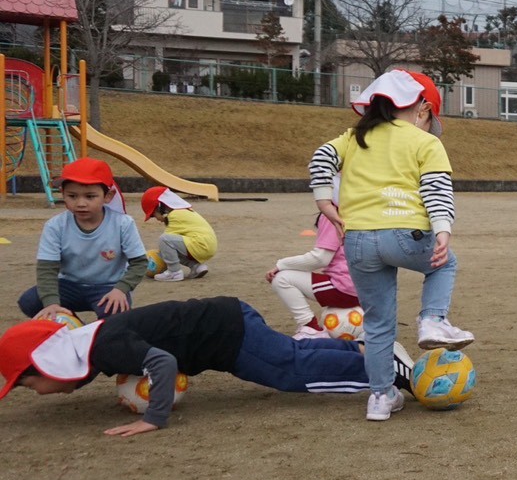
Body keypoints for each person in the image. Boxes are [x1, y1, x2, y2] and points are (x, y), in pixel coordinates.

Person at [309, 69, 473, 422]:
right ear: (421, 108)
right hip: (405, 232)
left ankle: (381, 397)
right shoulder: (424, 142)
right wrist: (442, 230)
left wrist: (325, 202)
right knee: (444, 263)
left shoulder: (354, 137)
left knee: (377, 322)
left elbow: (321, 158)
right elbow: (436, 190)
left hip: (357, 240)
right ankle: (432, 320)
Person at [0, 297, 413, 436]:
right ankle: (367, 351)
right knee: (294, 355)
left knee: (293, 371)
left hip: (226, 336)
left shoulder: (104, 347)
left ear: (48, 367)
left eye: (28, 385)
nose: (36, 393)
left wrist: (154, 417)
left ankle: (389, 372)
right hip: (225, 318)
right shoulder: (92, 344)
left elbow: (162, 361)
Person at [19, 158, 147, 322]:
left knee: (116, 314)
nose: (80, 203)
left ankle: (99, 328)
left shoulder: (123, 223)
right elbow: (47, 268)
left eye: (90, 196)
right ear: (63, 194)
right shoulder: (55, 226)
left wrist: (121, 289)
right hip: (69, 286)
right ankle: (74, 324)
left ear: (108, 196)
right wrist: (51, 304)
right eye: (72, 196)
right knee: (30, 301)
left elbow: (139, 262)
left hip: (107, 287)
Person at [266, 206, 361, 339]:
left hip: (347, 288)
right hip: (370, 287)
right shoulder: (357, 208)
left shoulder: (331, 214)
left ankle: (310, 328)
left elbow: (321, 258)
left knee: (281, 278)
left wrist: (281, 264)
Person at [141, 185, 217, 282]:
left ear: (160, 207)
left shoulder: (174, 215)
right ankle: (197, 267)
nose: (156, 219)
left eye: (153, 215)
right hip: (207, 245)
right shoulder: (183, 211)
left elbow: (165, 245)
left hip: (201, 245)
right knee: (172, 248)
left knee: (164, 240)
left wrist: (153, 258)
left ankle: (174, 272)